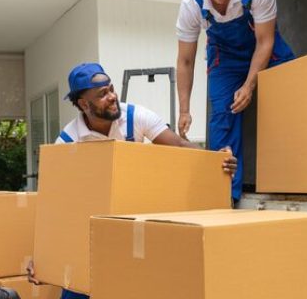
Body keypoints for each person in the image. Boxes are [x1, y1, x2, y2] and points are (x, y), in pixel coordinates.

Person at [32, 62, 237, 299]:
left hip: (132, 223)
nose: (112, 97)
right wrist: (42, 258)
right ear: (83, 104)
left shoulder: (134, 116)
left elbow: (179, 146)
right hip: (91, 231)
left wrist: (215, 160)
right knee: (78, 288)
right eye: (102, 94)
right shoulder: (68, 141)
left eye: (111, 89)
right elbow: (54, 204)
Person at [176, 0, 295, 203]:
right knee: (222, 116)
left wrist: (249, 85)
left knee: (292, 94)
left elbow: (265, 42)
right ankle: (225, 196)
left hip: (263, 47)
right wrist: (184, 109)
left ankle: (292, 180)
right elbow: (185, 60)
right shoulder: (192, 2)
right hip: (225, 57)